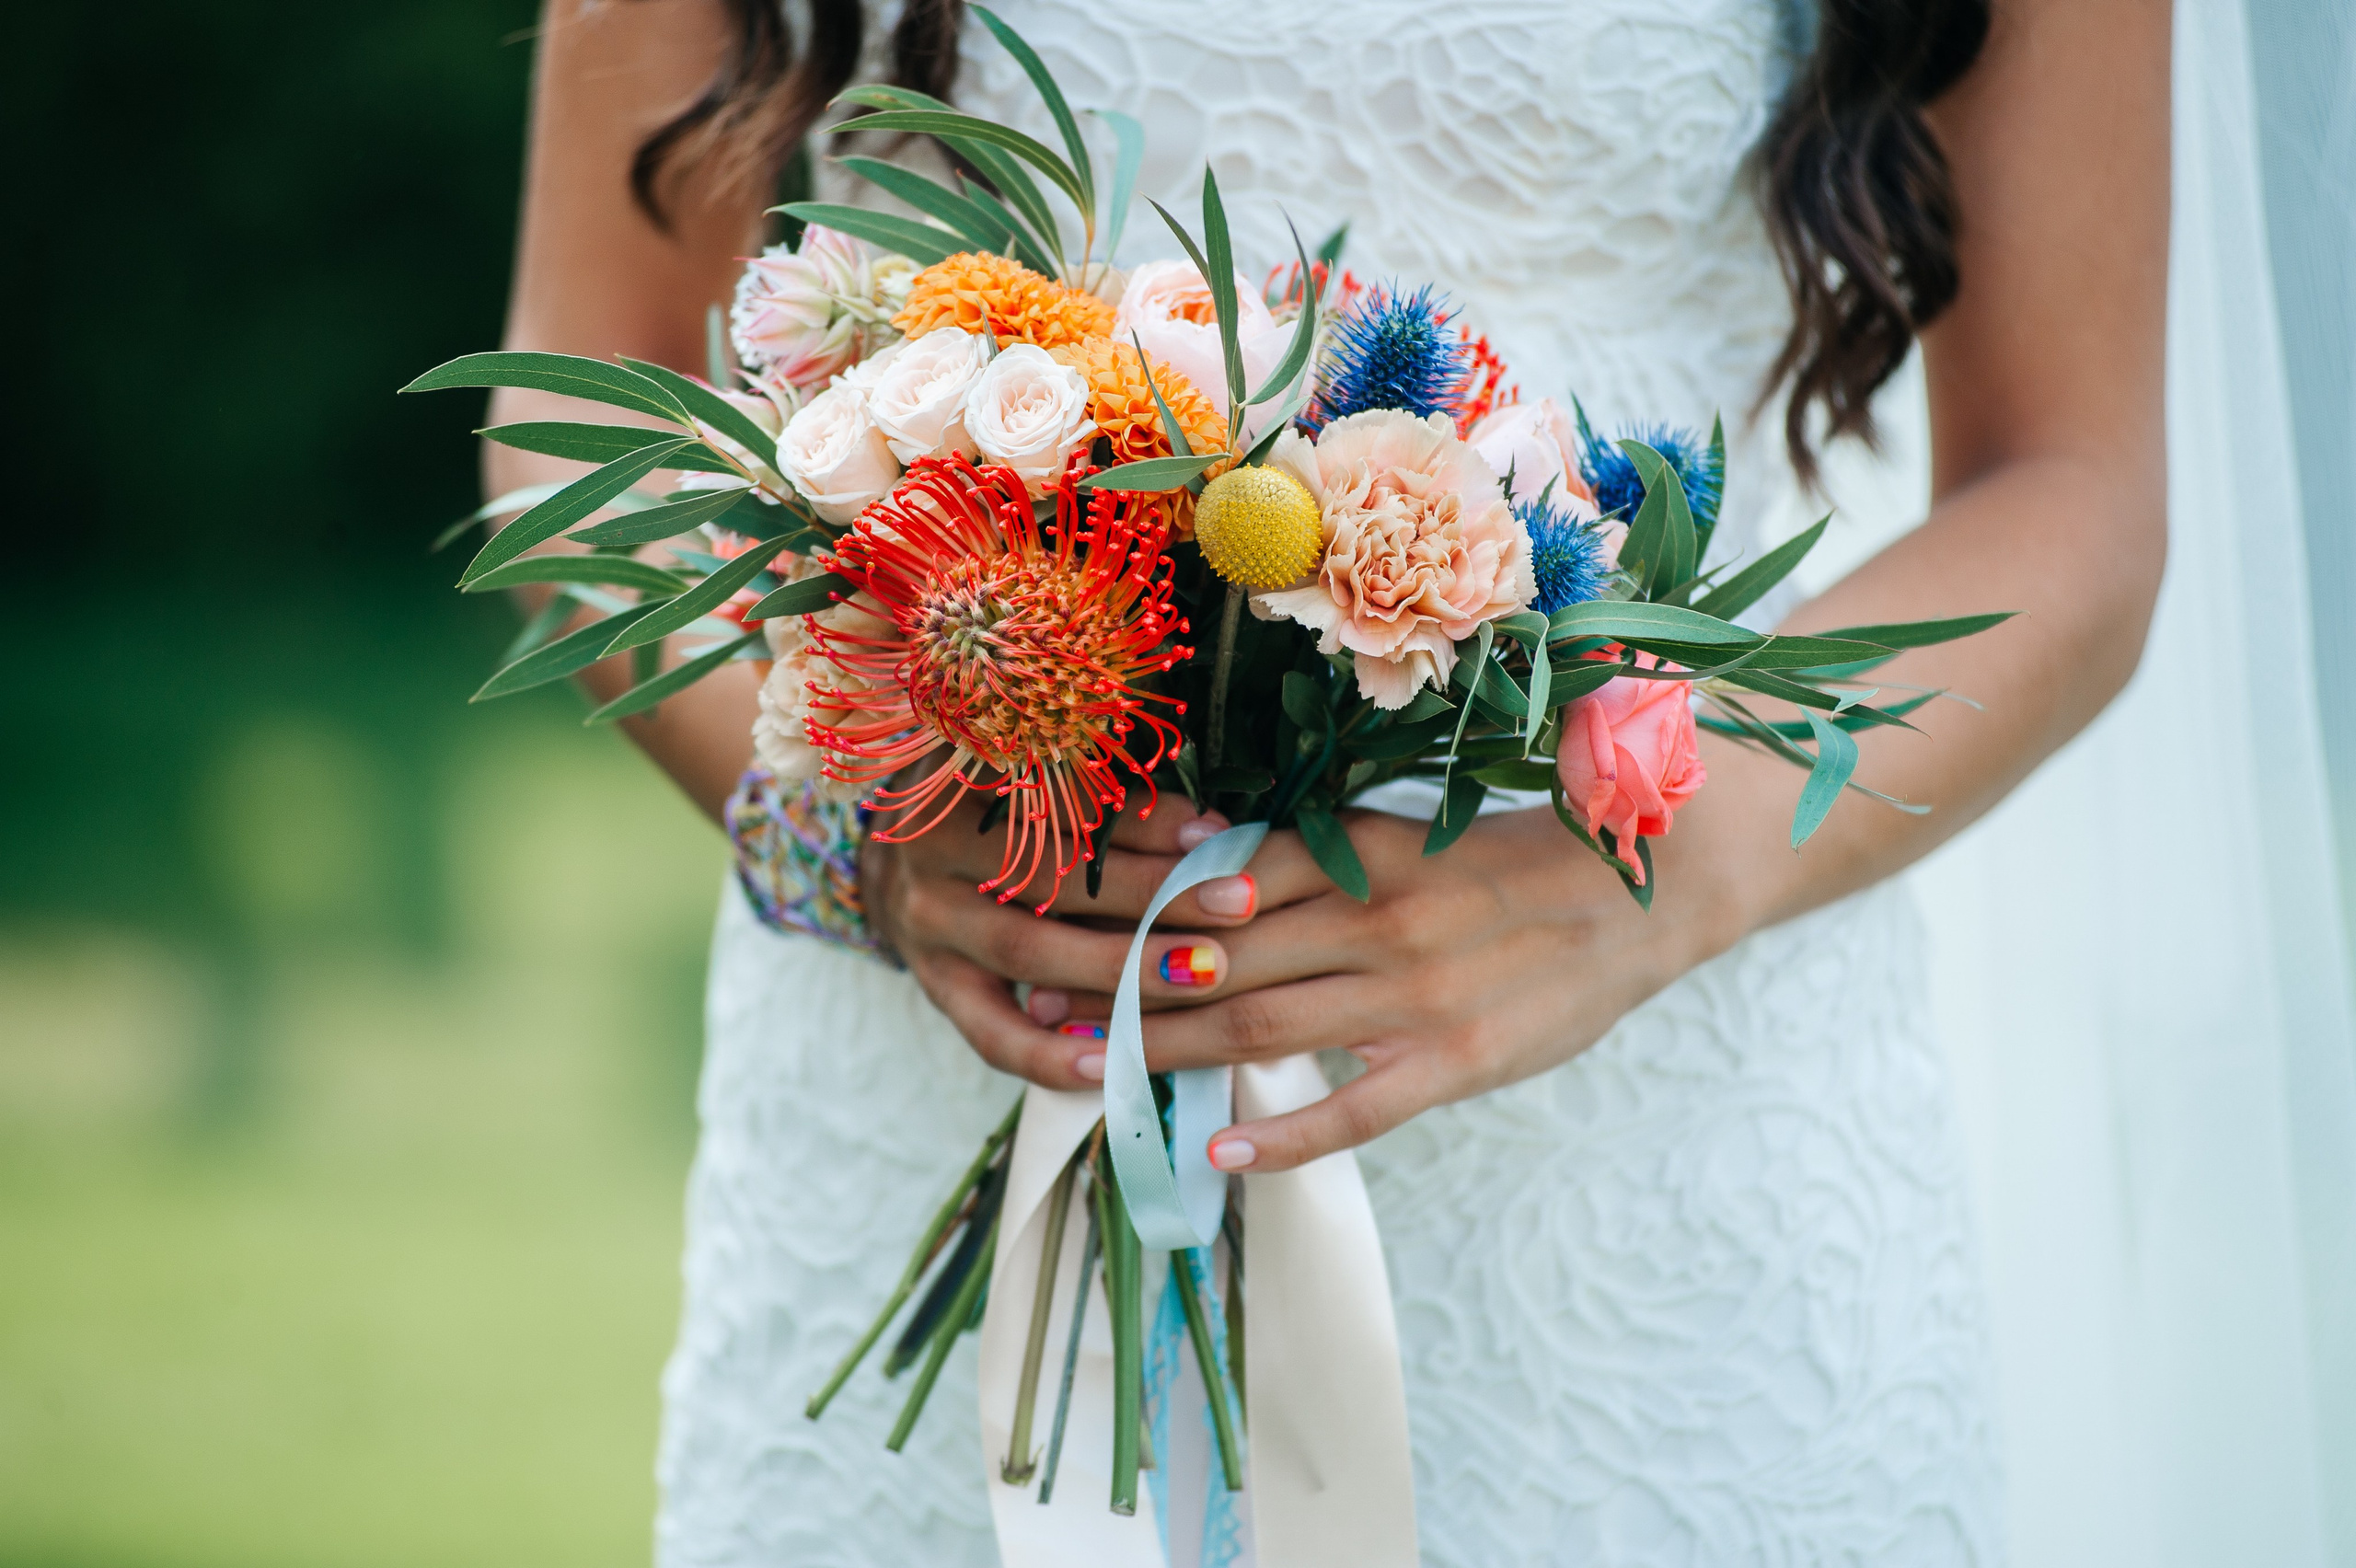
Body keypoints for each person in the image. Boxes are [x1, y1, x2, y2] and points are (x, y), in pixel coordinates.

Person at [482, 0, 2177, 1561]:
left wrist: (1653, 874)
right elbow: (575, 406)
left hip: (1660, 1139)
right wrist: (858, 833)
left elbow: (2075, 488)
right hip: (962, 1040)